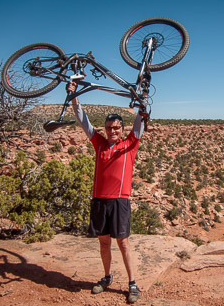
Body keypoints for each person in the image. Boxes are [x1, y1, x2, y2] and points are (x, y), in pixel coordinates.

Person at [68, 82, 144, 303]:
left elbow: (140, 120)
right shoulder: (99, 143)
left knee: (123, 242)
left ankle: (133, 283)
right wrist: (74, 97)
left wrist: (143, 100)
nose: (112, 131)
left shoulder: (130, 144)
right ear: (105, 129)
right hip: (99, 200)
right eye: (109, 127)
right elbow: (84, 121)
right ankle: (107, 277)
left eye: (116, 127)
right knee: (103, 242)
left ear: (122, 129)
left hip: (120, 200)